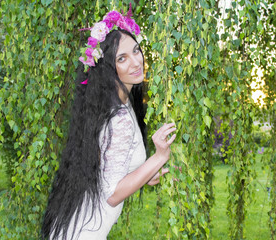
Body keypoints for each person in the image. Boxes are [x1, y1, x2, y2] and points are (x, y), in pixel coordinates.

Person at [41, 8, 176, 240]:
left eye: (136, 51)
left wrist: (146, 174)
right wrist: (159, 156)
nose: (136, 62)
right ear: (108, 68)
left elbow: (109, 171)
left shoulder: (116, 105)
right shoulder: (119, 118)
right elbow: (112, 194)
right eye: (121, 58)